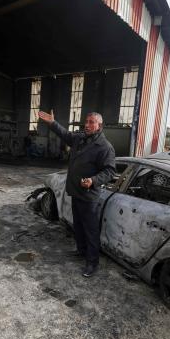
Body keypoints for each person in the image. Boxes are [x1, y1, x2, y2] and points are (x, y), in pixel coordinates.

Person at [38, 110, 115, 277]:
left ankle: (92, 263)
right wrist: (52, 123)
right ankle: (81, 251)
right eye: (86, 121)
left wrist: (93, 180)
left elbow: (109, 172)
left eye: (91, 122)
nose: (87, 125)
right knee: (78, 226)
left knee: (91, 230)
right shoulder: (80, 139)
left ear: (99, 125)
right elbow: (65, 134)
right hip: (75, 191)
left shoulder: (104, 147)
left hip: (89, 196)